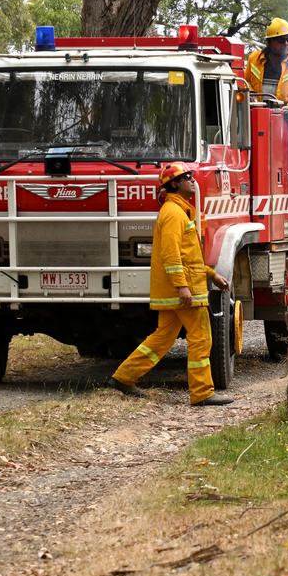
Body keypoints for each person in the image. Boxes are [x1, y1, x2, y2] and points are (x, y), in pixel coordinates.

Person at [109, 162, 234, 406]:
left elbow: (188, 256)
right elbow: (171, 255)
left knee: (161, 339)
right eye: (186, 176)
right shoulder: (174, 213)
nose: (192, 180)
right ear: (174, 184)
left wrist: (210, 274)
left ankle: (123, 377)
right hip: (184, 292)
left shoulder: (178, 211)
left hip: (177, 290)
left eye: (190, 175)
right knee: (201, 338)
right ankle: (202, 392)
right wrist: (183, 286)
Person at [243, 17, 288, 118]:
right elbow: (245, 82)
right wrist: (251, 94)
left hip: (284, 120)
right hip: (256, 116)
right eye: (281, 40)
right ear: (270, 41)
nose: (286, 44)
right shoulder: (254, 59)